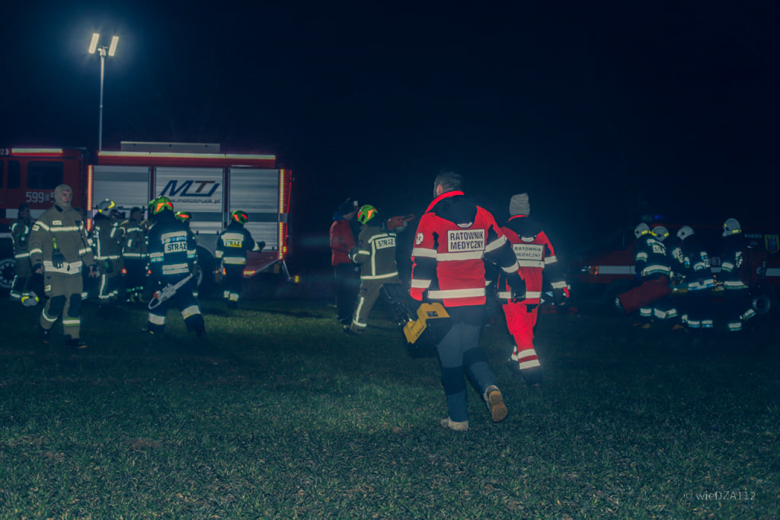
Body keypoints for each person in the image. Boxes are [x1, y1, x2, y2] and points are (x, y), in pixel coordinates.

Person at [410, 171, 525, 432]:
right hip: (475, 299)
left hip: (443, 302)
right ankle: (490, 387)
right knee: (471, 347)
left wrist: (416, 297)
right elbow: (503, 253)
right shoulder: (483, 215)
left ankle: (458, 419)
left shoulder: (431, 218)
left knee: (450, 358)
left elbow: (424, 261)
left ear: (439, 188)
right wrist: (517, 280)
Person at [495, 193, 567, 388]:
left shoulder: (504, 231)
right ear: (527, 210)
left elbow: (493, 259)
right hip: (534, 294)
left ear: (511, 210)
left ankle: (533, 376)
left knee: (522, 335)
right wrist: (561, 290)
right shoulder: (541, 233)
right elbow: (552, 261)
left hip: (512, 293)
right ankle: (514, 365)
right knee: (525, 332)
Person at [29, 184, 98, 348]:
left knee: (74, 304)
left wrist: (91, 264)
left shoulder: (76, 217)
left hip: (74, 272)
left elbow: (84, 244)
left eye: (69, 193)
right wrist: (37, 262)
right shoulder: (47, 217)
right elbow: (35, 242)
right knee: (56, 303)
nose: (67, 196)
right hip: (54, 271)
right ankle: (44, 328)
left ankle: (72, 337)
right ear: (56, 196)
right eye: (64, 193)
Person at [145, 197, 205, 336]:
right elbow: (191, 251)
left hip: (164, 274)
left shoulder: (156, 230)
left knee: (159, 300)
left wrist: (157, 277)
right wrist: (190, 268)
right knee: (188, 302)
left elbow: (156, 256)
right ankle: (198, 327)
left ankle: (154, 329)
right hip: (183, 274)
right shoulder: (182, 227)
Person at [344, 204, 402, 334]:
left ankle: (356, 328)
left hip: (372, 278)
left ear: (364, 217)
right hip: (392, 276)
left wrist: (352, 255)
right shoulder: (390, 231)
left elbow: (362, 257)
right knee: (401, 303)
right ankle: (410, 326)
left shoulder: (366, 233)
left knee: (364, 302)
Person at [617, 224, 676, 328]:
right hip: (664, 276)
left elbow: (641, 259)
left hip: (651, 276)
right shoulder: (659, 243)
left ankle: (647, 322)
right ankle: (664, 322)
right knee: (661, 298)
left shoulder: (643, 242)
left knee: (645, 298)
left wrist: (638, 271)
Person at [215, 210, 264, 309]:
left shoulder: (224, 233)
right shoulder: (244, 233)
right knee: (236, 282)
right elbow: (252, 247)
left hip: (227, 263)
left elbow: (219, 250)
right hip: (239, 263)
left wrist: (217, 263)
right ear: (239, 218)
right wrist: (261, 245)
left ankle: (226, 297)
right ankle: (233, 302)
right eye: (244, 219)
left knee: (228, 280)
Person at [669, 225, 714, 331]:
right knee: (706, 309)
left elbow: (695, 263)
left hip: (697, 284)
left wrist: (699, 275)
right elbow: (688, 267)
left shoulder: (690, 246)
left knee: (694, 309)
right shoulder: (699, 245)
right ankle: (707, 331)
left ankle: (694, 331)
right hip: (707, 283)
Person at [719, 218, 756, 332]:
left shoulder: (730, 246)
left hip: (732, 286)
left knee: (731, 310)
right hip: (744, 284)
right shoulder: (743, 244)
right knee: (744, 306)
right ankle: (752, 323)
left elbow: (727, 267)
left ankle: (735, 333)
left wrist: (720, 278)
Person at [330, 197, 361, 325]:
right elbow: (337, 244)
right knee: (345, 290)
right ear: (347, 213)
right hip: (344, 262)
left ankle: (345, 314)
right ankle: (344, 315)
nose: (354, 214)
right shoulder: (341, 225)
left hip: (344, 262)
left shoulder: (342, 224)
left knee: (346, 290)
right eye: (352, 212)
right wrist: (352, 251)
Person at [92, 199, 123, 307]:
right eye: (112, 212)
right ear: (106, 211)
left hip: (107, 256)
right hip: (105, 257)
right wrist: (120, 227)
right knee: (105, 279)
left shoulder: (100, 223)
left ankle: (110, 298)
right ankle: (103, 300)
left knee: (111, 279)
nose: (113, 214)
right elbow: (113, 235)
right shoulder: (104, 223)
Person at [10, 203, 39, 306]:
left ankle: (25, 298)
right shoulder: (15, 223)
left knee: (30, 277)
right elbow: (22, 230)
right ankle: (15, 298)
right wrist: (31, 226)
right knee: (21, 278)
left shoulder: (30, 223)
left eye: (29, 211)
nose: (28, 213)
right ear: (21, 212)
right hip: (21, 256)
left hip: (30, 256)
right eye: (26, 211)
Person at [119, 207, 148, 303]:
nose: (141, 216)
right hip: (130, 257)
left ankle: (139, 296)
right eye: (139, 214)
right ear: (133, 214)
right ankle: (130, 296)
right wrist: (133, 243)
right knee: (130, 278)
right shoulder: (125, 225)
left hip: (141, 257)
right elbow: (121, 240)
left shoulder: (141, 226)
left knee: (140, 277)